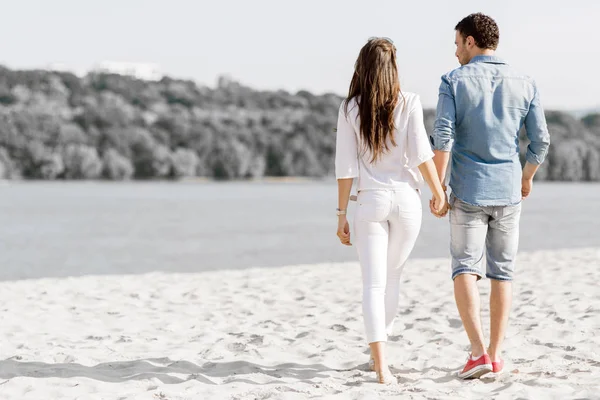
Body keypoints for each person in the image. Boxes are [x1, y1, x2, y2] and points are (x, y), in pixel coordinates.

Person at [430, 13, 551, 379]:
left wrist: (438, 188)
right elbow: (541, 140)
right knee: (503, 273)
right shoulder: (526, 82)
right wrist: (526, 177)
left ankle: (478, 352)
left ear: (470, 41)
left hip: (468, 190)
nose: (454, 52)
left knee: (465, 268)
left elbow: (444, 136)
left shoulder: (453, 81)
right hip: (508, 190)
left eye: (456, 43)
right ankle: (496, 356)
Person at [335, 37, 446, 384]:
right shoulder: (409, 101)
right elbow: (422, 153)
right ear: (393, 67)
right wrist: (438, 192)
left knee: (372, 285)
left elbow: (346, 168)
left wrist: (341, 215)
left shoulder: (350, 108)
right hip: (407, 201)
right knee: (393, 278)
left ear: (362, 68)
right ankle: (379, 357)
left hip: (370, 201)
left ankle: (380, 364)